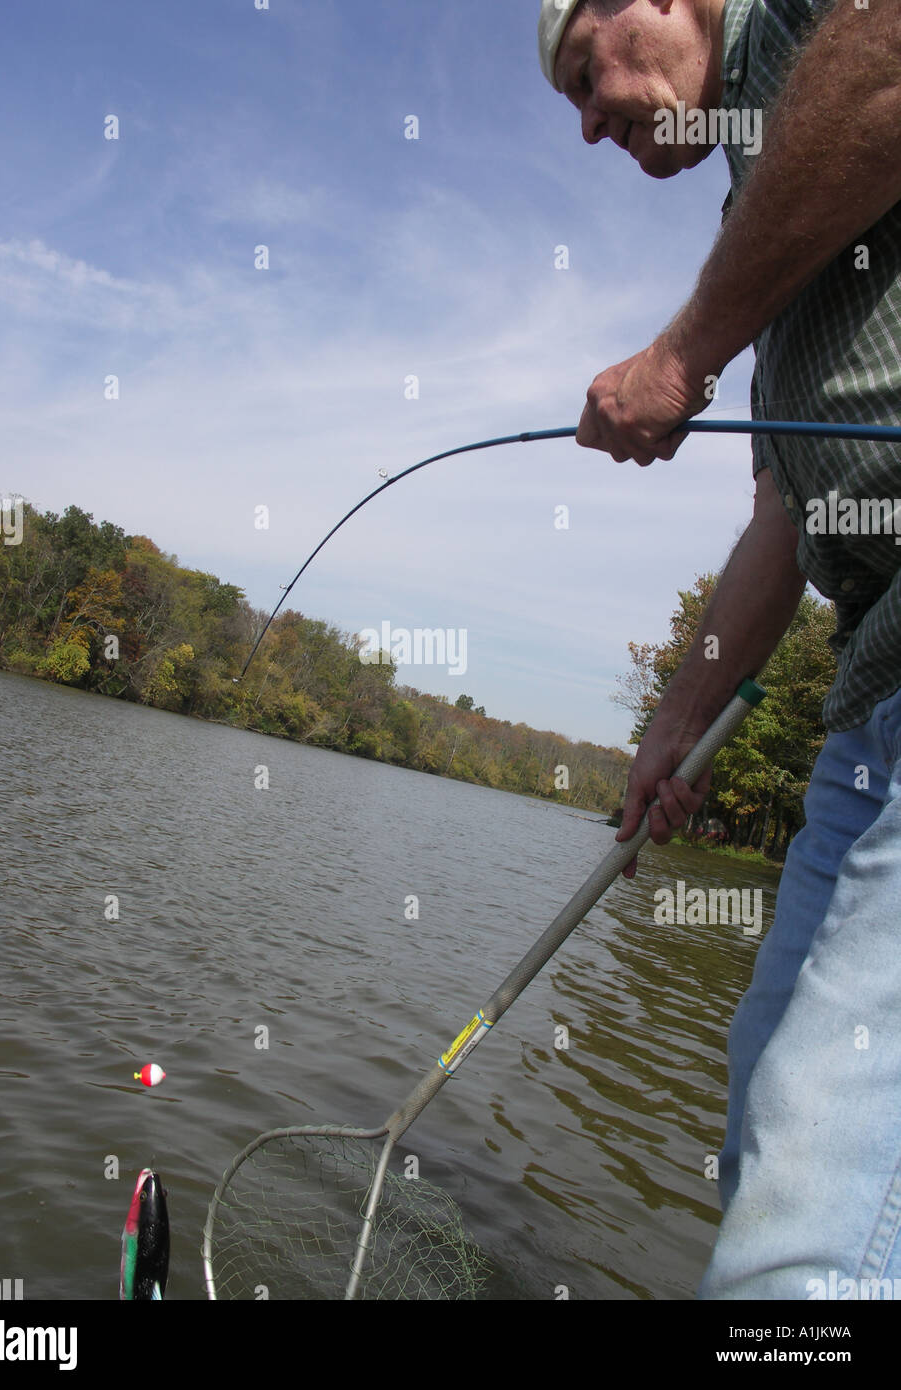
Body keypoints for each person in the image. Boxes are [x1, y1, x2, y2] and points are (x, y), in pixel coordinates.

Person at [538, 0, 901, 1298]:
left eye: (588, 70)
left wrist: (687, 352)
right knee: (767, 1113)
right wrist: (676, 721)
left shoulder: (810, 35)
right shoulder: (770, 202)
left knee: (805, 1244)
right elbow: (783, 520)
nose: (589, 122)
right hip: (868, 702)